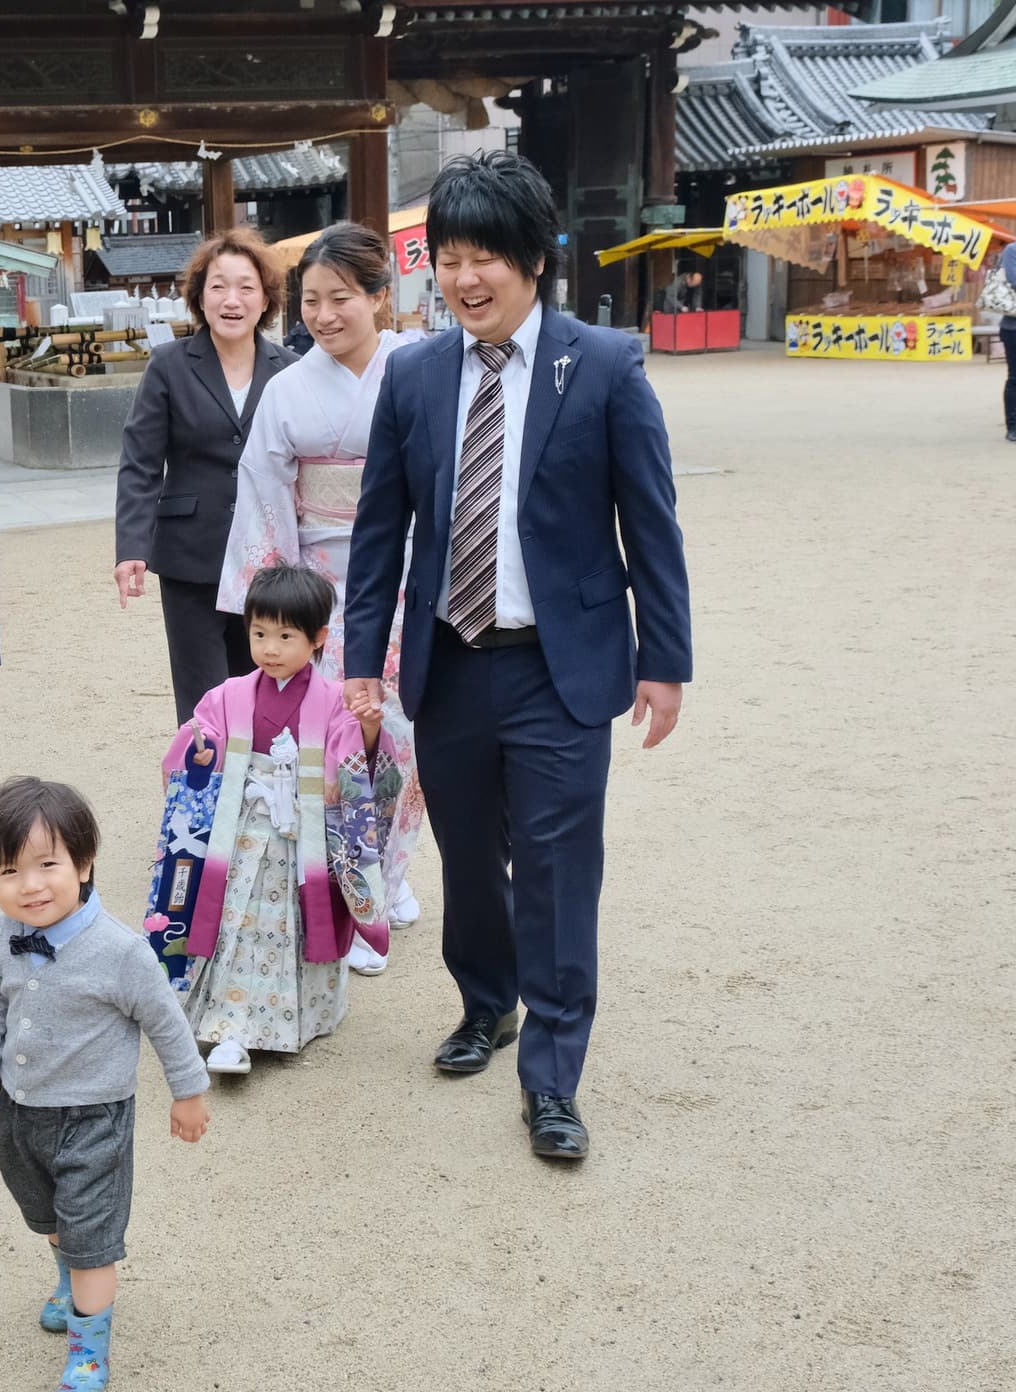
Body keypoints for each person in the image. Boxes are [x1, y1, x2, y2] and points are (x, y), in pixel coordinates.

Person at [342, 151, 692, 1161]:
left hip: (559, 665)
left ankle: (552, 1075)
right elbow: (379, 533)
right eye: (450, 257)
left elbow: (651, 529)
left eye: (487, 256)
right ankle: (486, 1003)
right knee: (468, 859)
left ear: (536, 260)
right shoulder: (412, 373)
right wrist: (363, 658)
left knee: (555, 869)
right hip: (450, 662)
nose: (466, 279)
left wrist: (664, 661)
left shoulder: (608, 365)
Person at [0, 777, 210, 1392]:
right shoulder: (2, 936)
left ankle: (88, 1348)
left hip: (93, 1118)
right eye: (9, 871)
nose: (31, 885)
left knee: (91, 1233)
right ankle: (67, 1277)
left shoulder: (120, 951)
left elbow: (165, 1021)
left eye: (49, 865)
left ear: (84, 863)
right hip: (17, 1113)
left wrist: (188, 1092)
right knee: (47, 1215)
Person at [216, 222, 426, 976]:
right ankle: (353, 889)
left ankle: (387, 878)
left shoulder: (422, 367)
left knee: (400, 739)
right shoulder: (287, 389)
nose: (325, 315)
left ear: (381, 296)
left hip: (411, 580)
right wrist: (284, 605)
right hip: (323, 593)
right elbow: (266, 493)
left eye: (342, 298)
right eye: (310, 301)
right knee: (333, 745)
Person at [162, 565, 400, 1076]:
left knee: (292, 919)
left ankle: (302, 1014)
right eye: (259, 633)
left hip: (305, 835)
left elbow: (359, 770)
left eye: (286, 635)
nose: (270, 648)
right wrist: (200, 748)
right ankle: (232, 1026)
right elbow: (199, 741)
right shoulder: (228, 695)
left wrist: (368, 735)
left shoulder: (335, 700)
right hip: (243, 830)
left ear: (317, 638)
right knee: (238, 922)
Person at [113, 228, 296, 722]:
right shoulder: (169, 365)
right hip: (190, 558)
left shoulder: (293, 370)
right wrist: (132, 547)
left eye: (245, 287)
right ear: (198, 297)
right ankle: (203, 796)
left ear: (266, 300)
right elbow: (141, 463)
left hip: (269, 561)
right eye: (218, 286)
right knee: (204, 701)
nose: (231, 300)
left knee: (267, 688)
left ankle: (262, 798)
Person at [999, 241, 1016, 441]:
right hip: (1013, 326)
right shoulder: (1012, 250)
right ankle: (1013, 426)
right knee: (1015, 378)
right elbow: (1014, 280)